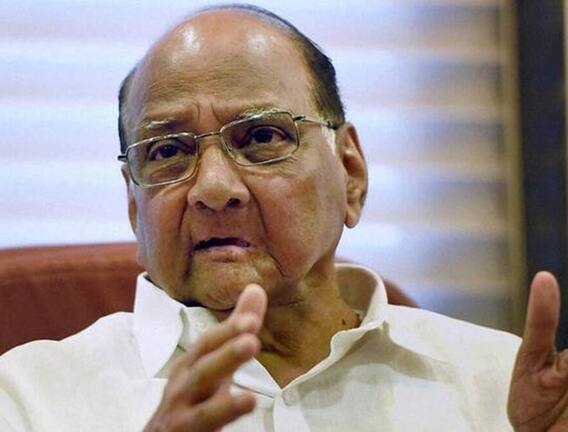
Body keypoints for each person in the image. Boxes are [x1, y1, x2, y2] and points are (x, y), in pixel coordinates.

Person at [1, 4, 567, 431]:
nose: (214, 188)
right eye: (168, 151)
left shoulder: (503, 387)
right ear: (134, 204)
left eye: (262, 137)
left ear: (351, 173)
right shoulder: (26, 400)